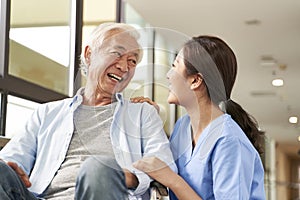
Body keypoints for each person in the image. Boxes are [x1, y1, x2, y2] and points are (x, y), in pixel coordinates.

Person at [0, 23, 176, 200]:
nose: (124, 67)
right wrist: (10, 167)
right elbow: (12, 158)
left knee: (100, 167)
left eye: (132, 61)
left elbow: (163, 163)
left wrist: (128, 176)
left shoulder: (142, 114)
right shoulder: (47, 113)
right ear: (89, 54)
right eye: (117, 53)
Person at [132, 35, 266, 199]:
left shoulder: (229, 141)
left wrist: (173, 181)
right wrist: (149, 124)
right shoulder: (182, 126)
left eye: (175, 67)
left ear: (195, 80)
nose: (168, 75)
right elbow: (159, 163)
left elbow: (168, 175)